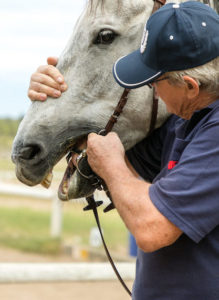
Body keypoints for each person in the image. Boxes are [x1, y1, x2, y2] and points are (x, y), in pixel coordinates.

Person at [28, 2, 219, 299]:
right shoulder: (184, 123)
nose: (151, 90)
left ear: (191, 87)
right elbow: (110, 159)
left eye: (155, 81)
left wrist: (112, 163)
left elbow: (152, 229)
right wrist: (56, 99)